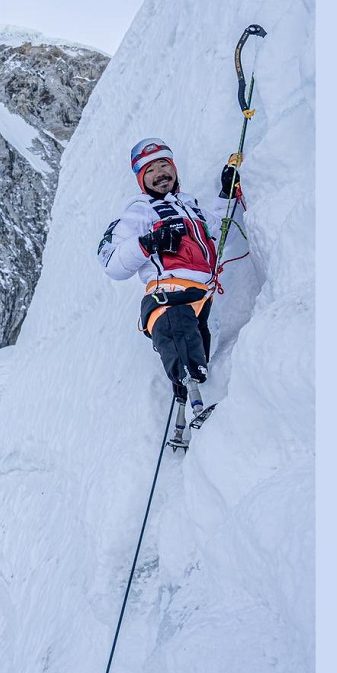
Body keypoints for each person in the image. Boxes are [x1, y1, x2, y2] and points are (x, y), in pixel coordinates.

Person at [96, 137, 245, 443]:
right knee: (181, 341)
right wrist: (150, 242)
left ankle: (190, 405)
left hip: (201, 299)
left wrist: (226, 192)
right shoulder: (139, 211)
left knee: (200, 355)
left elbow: (223, 230)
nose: (160, 172)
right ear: (141, 179)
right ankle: (198, 407)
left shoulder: (190, 206)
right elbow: (112, 263)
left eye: (165, 164)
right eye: (151, 169)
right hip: (168, 295)